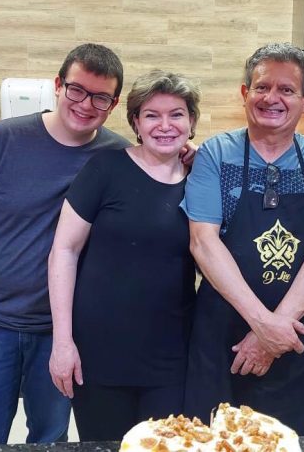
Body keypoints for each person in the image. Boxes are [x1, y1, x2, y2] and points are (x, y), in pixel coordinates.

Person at [180, 42, 304, 435]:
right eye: (261, 87)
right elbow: (203, 243)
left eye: (286, 89)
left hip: (295, 335)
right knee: (215, 438)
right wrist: (263, 324)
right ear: (245, 93)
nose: (271, 98)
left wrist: (273, 333)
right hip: (222, 335)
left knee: (289, 440)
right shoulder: (215, 154)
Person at [0, 43, 135, 446]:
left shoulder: (117, 156)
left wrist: (189, 157)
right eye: (77, 90)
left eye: (100, 97)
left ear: (113, 104)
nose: (85, 104)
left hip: (63, 332)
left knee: (51, 439)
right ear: (58, 85)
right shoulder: (5, 138)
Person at [48, 70, 200, 441]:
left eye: (176, 114)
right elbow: (64, 251)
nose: (165, 125)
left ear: (192, 121)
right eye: (152, 115)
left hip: (172, 356)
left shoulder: (201, 180)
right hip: (99, 353)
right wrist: (62, 342)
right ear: (135, 122)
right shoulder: (106, 169)